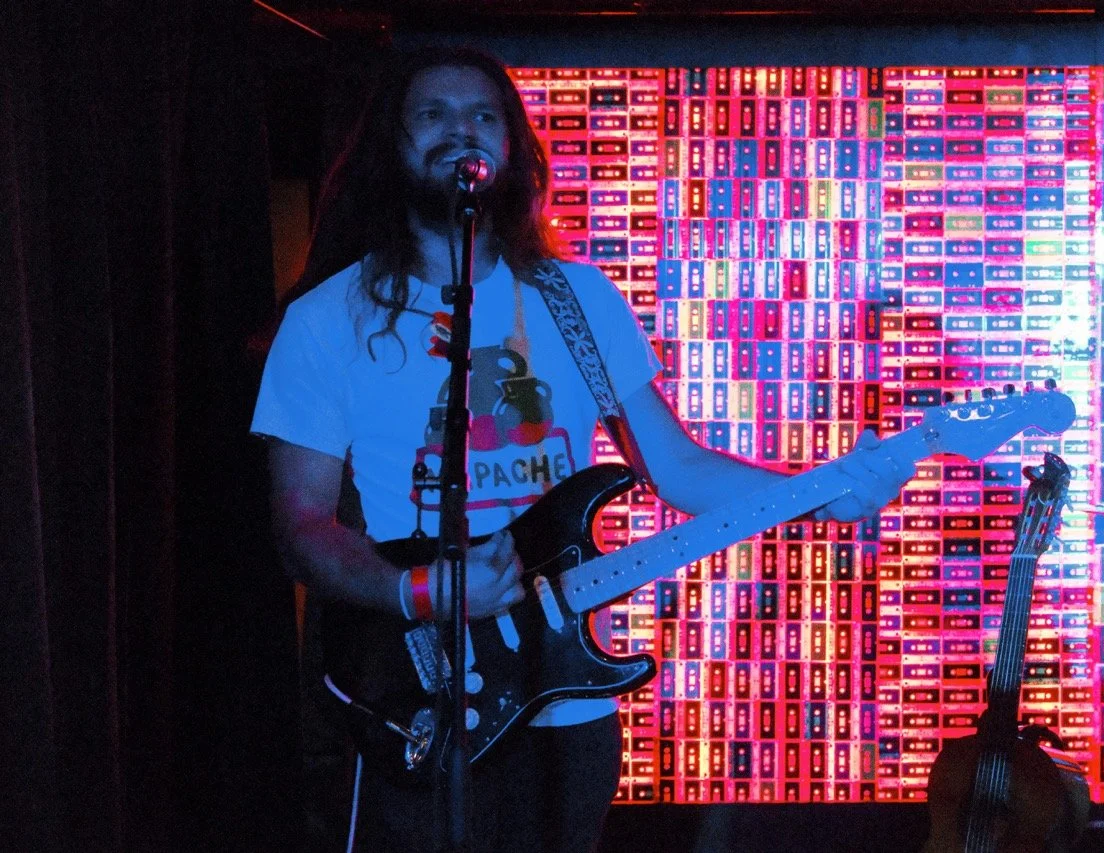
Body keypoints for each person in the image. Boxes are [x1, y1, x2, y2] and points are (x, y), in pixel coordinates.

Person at [251, 46, 914, 853]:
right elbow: (300, 524)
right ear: (391, 143)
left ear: (514, 147)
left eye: (483, 116)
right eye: (433, 115)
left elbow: (673, 466)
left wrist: (826, 491)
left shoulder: (577, 299)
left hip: (564, 701)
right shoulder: (328, 319)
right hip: (414, 689)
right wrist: (420, 591)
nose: (461, 132)